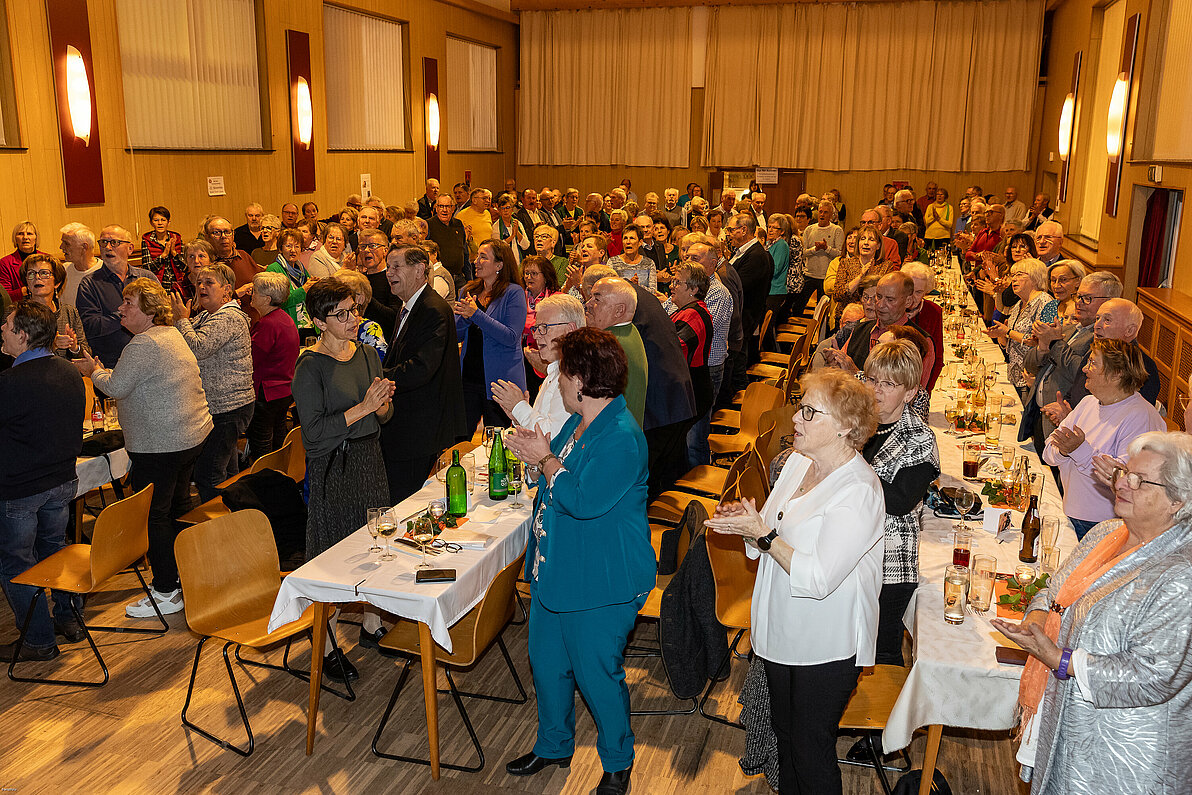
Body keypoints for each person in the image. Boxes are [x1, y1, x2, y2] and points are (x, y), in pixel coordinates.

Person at [705, 369, 883, 795]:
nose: (796, 418)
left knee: (810, 749)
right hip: (781, 629)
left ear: (845, 426)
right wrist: (749, 526)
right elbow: (771, 532)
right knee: (785, 737)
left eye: (808, 411)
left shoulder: (859, 490)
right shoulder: (799, 463)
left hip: (826, 643)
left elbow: (818, 576)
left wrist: (764, 535)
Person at [993, 431, 1192, 794]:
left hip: (1122, 754)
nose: (1123, 483)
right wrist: (1036, 621)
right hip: (1067, 719)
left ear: (1178, 500)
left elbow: (1154, 676)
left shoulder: (1181, 575)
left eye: (1140, 480)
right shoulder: (1107, 533)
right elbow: (1054, 591)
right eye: (1125, 472)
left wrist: (1059, 659)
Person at [502, 327, 654, 795]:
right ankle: (554, 745)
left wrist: (546, 460)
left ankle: (617, 764)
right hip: (559, 570)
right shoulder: (578, 422)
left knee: (596, 677)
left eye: (563, 373)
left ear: (582, 381)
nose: (558, 381)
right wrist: (536, 460)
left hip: (601, 582)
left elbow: (584, 500)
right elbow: (555, 482)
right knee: (547, 664)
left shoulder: (622, 437)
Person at [73, 278, 212, 619]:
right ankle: (186, 576)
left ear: (149, 311)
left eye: (128, 303)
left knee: (155, 516)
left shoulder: (143, 344)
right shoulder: (170, 334)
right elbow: (133, 381)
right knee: (178, 507)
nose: (120, 308)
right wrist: (103, 371)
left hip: (161, 446)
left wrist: (94, 371)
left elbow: (115, 387)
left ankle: (165, 590)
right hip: (189, 437)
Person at [292, 279, 394, 682]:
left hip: (370, 460)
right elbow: (314, 435)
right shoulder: (309, 366)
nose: (353, 319)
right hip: (335, 468)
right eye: (342, 314)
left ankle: (371, 623)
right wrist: (365, 407)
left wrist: (381, 405)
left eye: (354, 309)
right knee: (334, 558)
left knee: (375, 546)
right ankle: (327, 642)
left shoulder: (367, 354)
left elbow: (384, 416)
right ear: (319, 322)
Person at [0, 301, 86, 662]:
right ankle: (69, 618)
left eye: (6, 326)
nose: (1, 330)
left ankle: (38, 641)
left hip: (21, 490)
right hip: (62, 482)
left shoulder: (10, 383)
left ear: (22, 335)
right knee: (55, 550)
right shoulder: (68, 371)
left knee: (16, 563)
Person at [859, 341, 939, 668]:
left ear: (909, 393)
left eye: (888, 384)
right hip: (847, 547)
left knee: (881, 650)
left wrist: (846, 466)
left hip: (890, 560)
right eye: (871, 379)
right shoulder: (853, 420)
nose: (876, 390)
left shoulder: (920, 438)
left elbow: (899, 501)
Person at [1043, 339, 1166, 539]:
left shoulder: (1140, 415)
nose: (1085, 369)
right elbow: (1049, 451)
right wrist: (1064, 451)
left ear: (1117, 373)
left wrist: (1078, 450)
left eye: (1092, 363)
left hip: (1102, 526)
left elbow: (1125, 479)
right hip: (1070, 511)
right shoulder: (1088, 403)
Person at [381, 243, 468, 504]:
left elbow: (422, 368)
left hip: (419, 427)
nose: (389, 273)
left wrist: (379, 377)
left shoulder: (432, 309)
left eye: (396, 266)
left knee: (406, 501)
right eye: (388, 267)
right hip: (409, 424)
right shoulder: (409, 306)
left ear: (420, 270)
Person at [170, 264, 255, 503]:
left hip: (228, 407)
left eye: (209, 283)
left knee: (209, 474)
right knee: (227, 470)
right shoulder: (209, 315)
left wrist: (182, 320)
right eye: (199, 282)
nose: (201, 287)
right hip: (222, 406)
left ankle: (219, 520)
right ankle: (236, 514)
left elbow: (197, 347)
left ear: (227, 290)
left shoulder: (228, 317)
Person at [453, 239, 527, 431]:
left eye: (483, 257)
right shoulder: (468, 291)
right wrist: (466, 318)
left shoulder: (514, 293)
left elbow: (511, 337)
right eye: (477, 256)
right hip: (469, 377)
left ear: (499, 265)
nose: (476, 261)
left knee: (499, 438)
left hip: (501, 381)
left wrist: (476, 314)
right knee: (459, 436)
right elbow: (456, 335)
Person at [493, 293, 584, 438]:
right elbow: (541, 424)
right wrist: (518, 416)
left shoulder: (574, 375)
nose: (535, 335)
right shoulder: (556, 369)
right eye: (536, 328)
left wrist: (519, 406)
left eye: (544, 327)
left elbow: (552, 437)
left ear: (570, 329)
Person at [76, 225, 159, 371]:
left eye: (114, 242)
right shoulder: (89, 284)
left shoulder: (147, 278)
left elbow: (162, 316)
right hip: (111, 367)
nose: (108, 247)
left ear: (130, 248)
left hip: (151, 360)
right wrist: (126, 314)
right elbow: (90, 327)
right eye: (103, 242)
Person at [246, 271, 299, 461]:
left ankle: (265, 476)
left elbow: (251, 359)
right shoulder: (284, 318)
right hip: (283, 391)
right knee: (278, 439)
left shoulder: (268, 325)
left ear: (267, 299)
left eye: (255, 291)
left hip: (267, 393)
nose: (251, 294)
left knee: (262, 445)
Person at [988, 258, 1057, 400]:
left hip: (1030, 379)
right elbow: (1010, 342)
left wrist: (1007, 332)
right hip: (1014, 376)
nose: (1013, 279)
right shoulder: (1019, 304)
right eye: (1013, 275)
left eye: (1019, 275)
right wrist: (1001, 335)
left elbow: (1040, 342)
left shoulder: (1045, 302)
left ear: (1036, 277)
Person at [584, 277, 647, 428]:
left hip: (611, 433)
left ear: (619, 310)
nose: (588, 304)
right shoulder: (630, 331)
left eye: (597, 299)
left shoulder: (608, 345)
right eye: (590, 297)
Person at [670, 263, 715, 448]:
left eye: (677, 282)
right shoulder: (689, 310)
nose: (671, 286)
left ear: (693, 289)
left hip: (692, 393)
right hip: (692, 390)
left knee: (690, 450)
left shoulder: (692, 315)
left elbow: (672, 353)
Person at [19, 253, 88, 358]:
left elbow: (86, 352)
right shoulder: (17, 314)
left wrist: (74, 347)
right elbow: (10, 354)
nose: (37, 277)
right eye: (31, 274)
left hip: (66, 368)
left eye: (44, 273)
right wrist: (51, 346)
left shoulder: (69, 312)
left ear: (57, 282)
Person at [266, 229, 317, 334]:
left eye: (297, 246)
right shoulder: (273, 269)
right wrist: (304, 290)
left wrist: (314, 285)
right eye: (288, 246)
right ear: (280, 249)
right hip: (287, 326)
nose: (293, 250)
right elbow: (278, 302)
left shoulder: (301, 268)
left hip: (307, 324)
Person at [57, 223, 101, 307]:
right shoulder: (63, 271)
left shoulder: (105, 271)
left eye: (67, 243)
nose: (61, 247)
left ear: (84, 247)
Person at [0, 221, 45, 304]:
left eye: (29, 234)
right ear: (15, 239)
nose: (25, 237)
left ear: (36, 238)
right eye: (20, 234)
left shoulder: (47, 259)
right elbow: (5, 296)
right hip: (19, 307)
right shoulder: (5, 263)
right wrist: (25, 290)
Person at [608, 224, 656, 292]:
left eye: (632, 238)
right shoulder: (612, 262)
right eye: (625, 238)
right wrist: (629, 284)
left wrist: (637, 286)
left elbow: (653, 292)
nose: (628, 242)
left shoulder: (649, 263)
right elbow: (608, 288)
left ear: (640, 242)